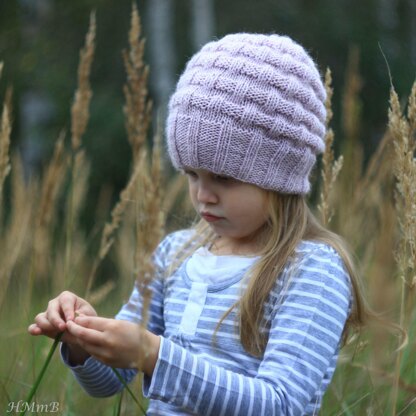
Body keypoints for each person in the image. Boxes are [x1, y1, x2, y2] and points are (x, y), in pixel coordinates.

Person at [28, 33, 366, 415]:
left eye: (223, 178)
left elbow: (280, 405)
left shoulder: (311, 271)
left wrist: (155, 356)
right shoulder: (175, 255)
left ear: (279, 174)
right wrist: (82, 337)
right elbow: (109, 381)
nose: (203, 195)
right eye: (191, 174)